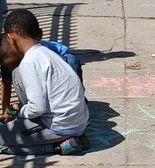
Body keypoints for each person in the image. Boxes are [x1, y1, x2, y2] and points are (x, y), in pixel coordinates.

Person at [0, 9, 89, 155]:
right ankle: (62, 139)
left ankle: (60, 146)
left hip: (60, 127)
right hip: (78, 121)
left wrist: (20, 115)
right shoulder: (46, 53)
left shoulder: (29, 63)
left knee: (2, 140)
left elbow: (36, 109)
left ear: (11, 38)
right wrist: (18, 108)